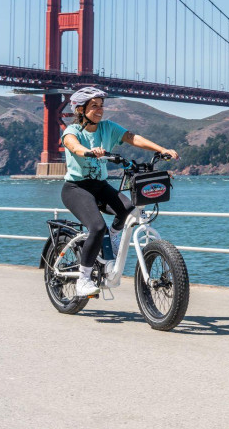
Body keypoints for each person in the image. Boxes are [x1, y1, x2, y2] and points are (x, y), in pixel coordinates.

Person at [60, 87, 180, 297]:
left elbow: (132, 137)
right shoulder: (72, 132)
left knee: (128, 209)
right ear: (80, 110)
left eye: (101, 105)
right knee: (97, 227)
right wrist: (88, 151)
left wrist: (161, 149)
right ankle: (83, 279)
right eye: (94, 106)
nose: (100, 110)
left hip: (100, 186)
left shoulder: (107, 128)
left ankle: (113, 240)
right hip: (76, 188)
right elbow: (73, 146)